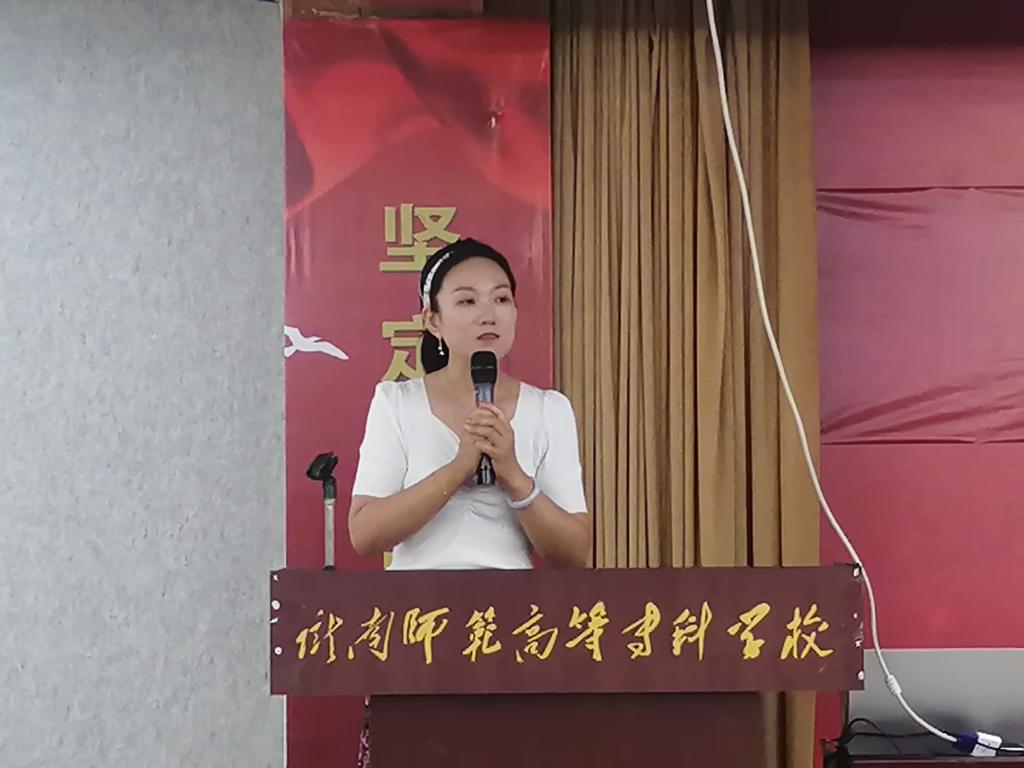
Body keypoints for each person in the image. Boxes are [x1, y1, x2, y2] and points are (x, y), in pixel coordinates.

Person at [348, 237, 591, 571]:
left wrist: (513, 474)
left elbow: (574, 554)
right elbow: (365, 535)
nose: (488, 315)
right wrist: (457, 469)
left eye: (501, 299)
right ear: (433, 320)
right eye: (467, 301)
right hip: (415, 600)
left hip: (510, 599)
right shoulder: (397, 403)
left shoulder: (549, 410)